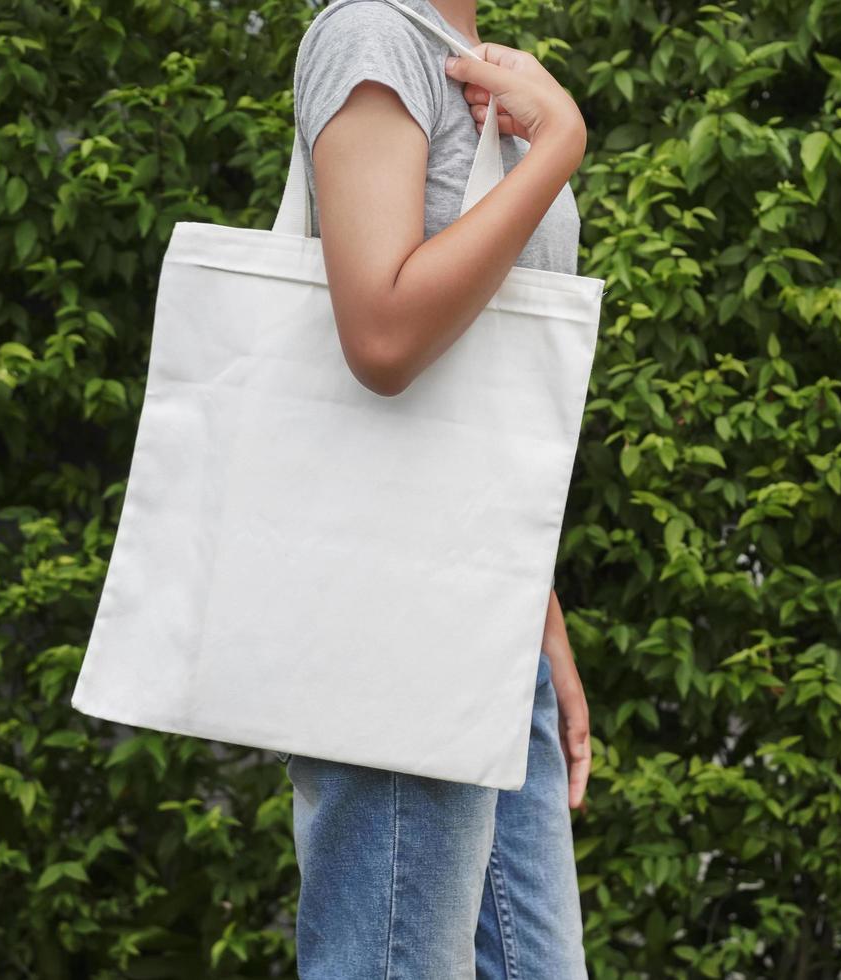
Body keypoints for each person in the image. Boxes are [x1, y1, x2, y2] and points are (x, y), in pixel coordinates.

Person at [276, 1, 594, 976]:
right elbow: (383, 334)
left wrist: (539, 612)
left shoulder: (471, 59)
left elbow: (476, 390)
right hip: (399, 614)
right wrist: (559, 147)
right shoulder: (373, 34)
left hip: (491, 612)